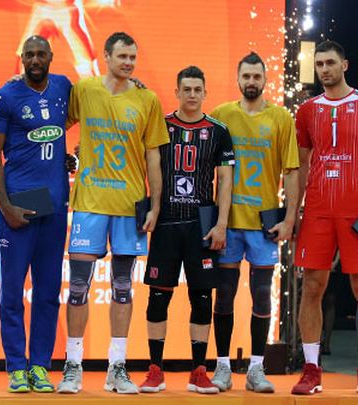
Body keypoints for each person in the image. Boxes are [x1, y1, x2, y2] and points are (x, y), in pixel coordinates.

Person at [58, 31, 168, 395]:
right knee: (78, 287)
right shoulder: (84, 90)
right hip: (89, 203)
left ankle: (117, 368)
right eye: (122, 56)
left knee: (123, 287)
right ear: (106, 56)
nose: (128, 63)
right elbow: (54, 124)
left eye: (133, 57)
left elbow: (154, 155)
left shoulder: (147, 99)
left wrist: (155, 204)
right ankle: (73, 366)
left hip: (128, 207)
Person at [292, 40, 358, 397]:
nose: (325, 69)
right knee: (312, 288)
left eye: (330, 63)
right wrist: (293, 214)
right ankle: (310, 370)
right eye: (320, 64)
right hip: (317, 212)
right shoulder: (307, 111)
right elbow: (301, 166)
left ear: (344, 65)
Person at [139, 66, 234, 394]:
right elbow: (148, 166)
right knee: (157, 298)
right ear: (177, 92)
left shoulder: (219, 132)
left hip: (201, 227)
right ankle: (155, 370)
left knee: (203, 298)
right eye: (186, 89)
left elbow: (225, 181)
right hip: (166, 223)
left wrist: (221, 223)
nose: (192, 94)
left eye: (197, 89)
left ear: (205, 93)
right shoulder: (161, 125)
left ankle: (198, 371)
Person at [0, 35, 71, 393]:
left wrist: (132, 82)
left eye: (41, 54)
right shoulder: (5, 97)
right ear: (22, 58)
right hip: (19, 207)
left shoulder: (64, 87)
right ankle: (16, 367)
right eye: (30, 54)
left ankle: (39, 366)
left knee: (48, 293)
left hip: (55, 207)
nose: (35, 60)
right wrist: (6, 206)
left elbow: (96, 103)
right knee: (11, 294)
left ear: (51, 57)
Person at [209, 52, 299, 393]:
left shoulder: (280, 118)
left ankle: (256, 369)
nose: (251, 81)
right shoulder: (221, 115)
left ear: (265, 79)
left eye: (256, 76)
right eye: (246, 76)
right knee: (225, 295)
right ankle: (222, 367)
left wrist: (289, 218)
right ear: (237, 79)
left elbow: (292, 171)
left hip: (264, 226)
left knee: (262, 295)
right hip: (228, 223)